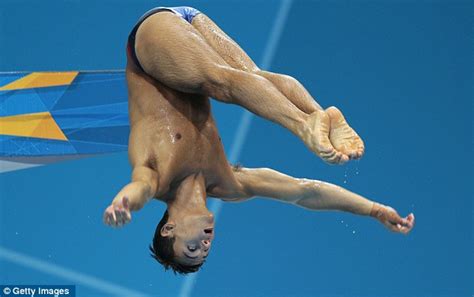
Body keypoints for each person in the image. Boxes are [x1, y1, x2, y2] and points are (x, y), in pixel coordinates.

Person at [103, 6, 415, 274]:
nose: (205, 243)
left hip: (151, 43)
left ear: (169, 228)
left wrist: (125, 203)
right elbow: (305, 193)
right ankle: (319, 113)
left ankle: (306, 124)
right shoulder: (229, 184)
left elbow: (139, 188)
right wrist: (373, 209)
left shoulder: (159, 178)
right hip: (192, 23)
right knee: (254, 78)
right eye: (205, 250)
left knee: (221, 82)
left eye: (192, 247)